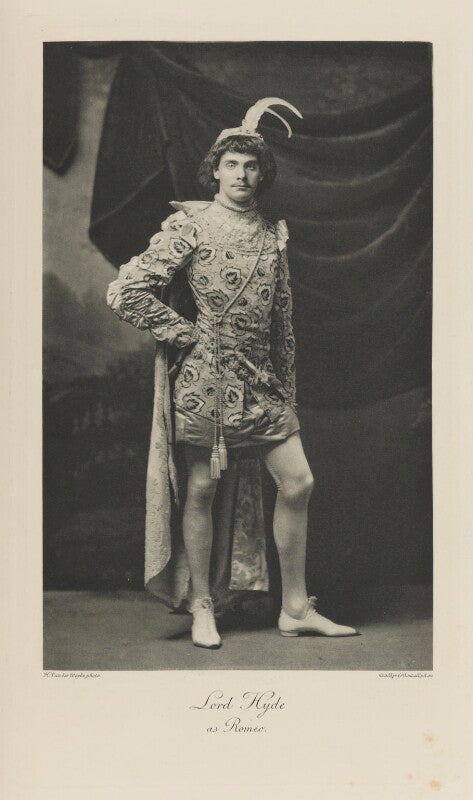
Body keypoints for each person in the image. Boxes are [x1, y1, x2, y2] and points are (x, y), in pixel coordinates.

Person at [107, 98, 357, 648]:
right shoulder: (190, 225)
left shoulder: (272, 234)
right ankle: (203, 605)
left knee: (299, 481)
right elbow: (126, 291)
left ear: (263, 174)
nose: (242, 175)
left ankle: (295, 608)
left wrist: (285, 390)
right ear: (215, 171)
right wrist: (185, 333)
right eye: (232, 164)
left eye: (251, 166)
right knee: (201, 488)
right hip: (205, 383)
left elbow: (282, 323)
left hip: (263, 385)